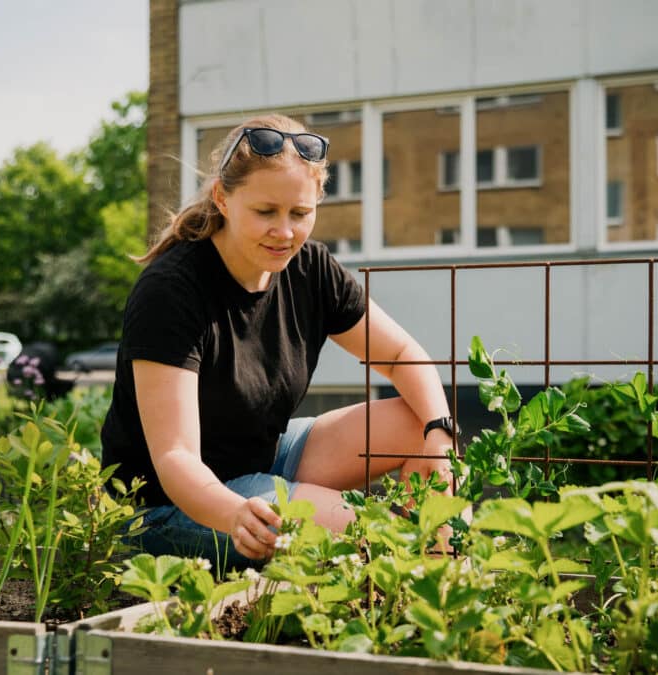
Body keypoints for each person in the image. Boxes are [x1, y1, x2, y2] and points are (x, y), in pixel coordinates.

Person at [100, 113, 457, 569]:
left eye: (300, 214)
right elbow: (175, 457)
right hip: (172, 504)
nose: (284, 232)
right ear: (222, 199)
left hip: (267, 459)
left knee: (420, 422)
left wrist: (440, 436)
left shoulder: (310, 268)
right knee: (368, 531)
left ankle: (445, 578)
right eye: (265, 212)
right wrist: (234, 513)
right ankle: (414, 571)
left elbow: (402, 355)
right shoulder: (171, 292)